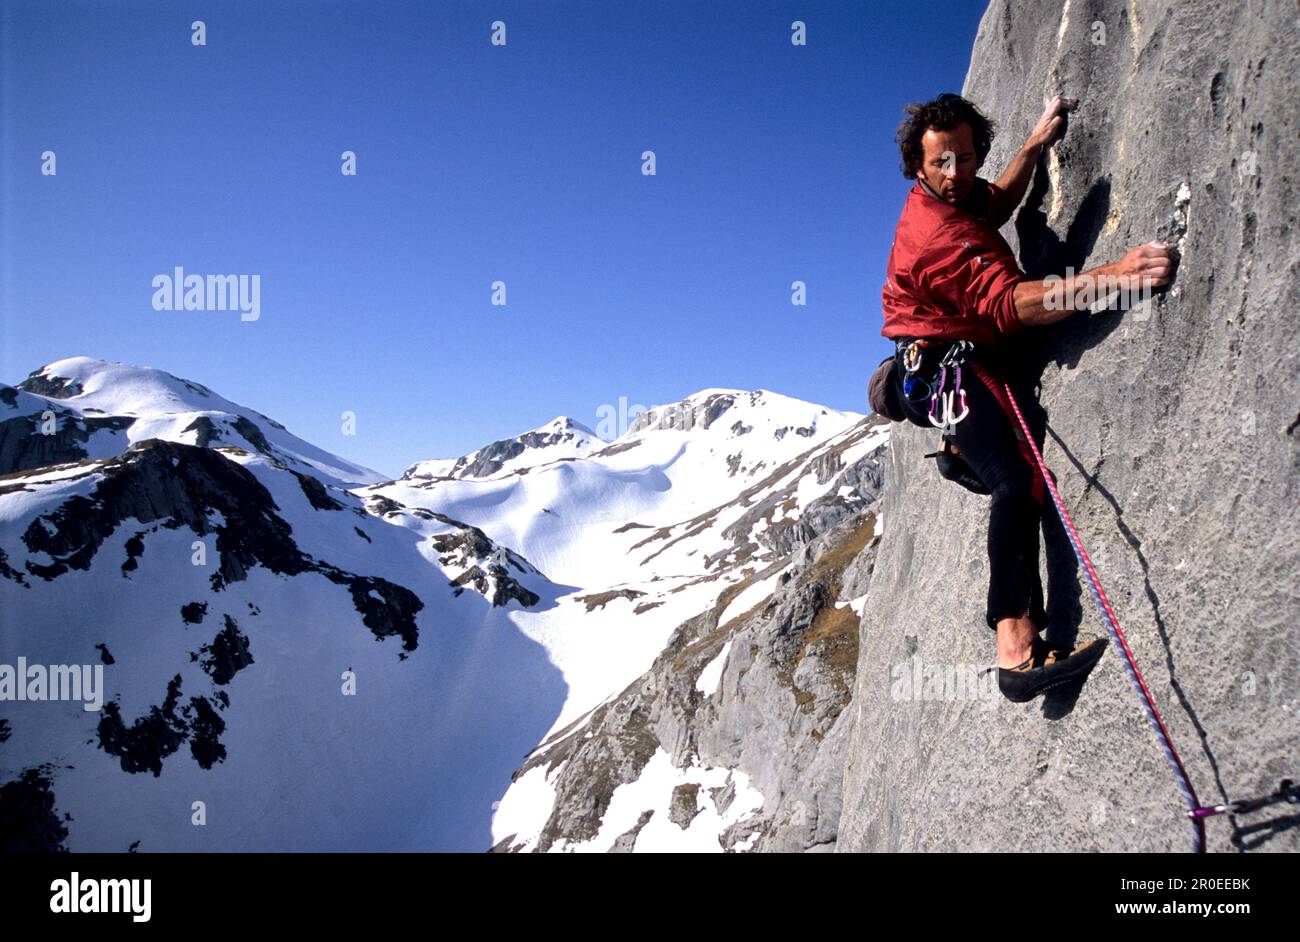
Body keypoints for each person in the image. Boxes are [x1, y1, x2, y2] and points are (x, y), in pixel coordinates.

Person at [880, 92, 1172, 702]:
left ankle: (1031, 631)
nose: (957, 174)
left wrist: (1035, 144)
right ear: (917, 166)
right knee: (1016, 480)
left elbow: (998, 199)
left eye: (965, 157)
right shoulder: (937, 237)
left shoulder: (955, 196)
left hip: (963, 357)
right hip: (946, 369)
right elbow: (1015, 306)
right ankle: (1014, 649)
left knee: (1025, 480)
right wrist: (1116, 278)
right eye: (941, 164)